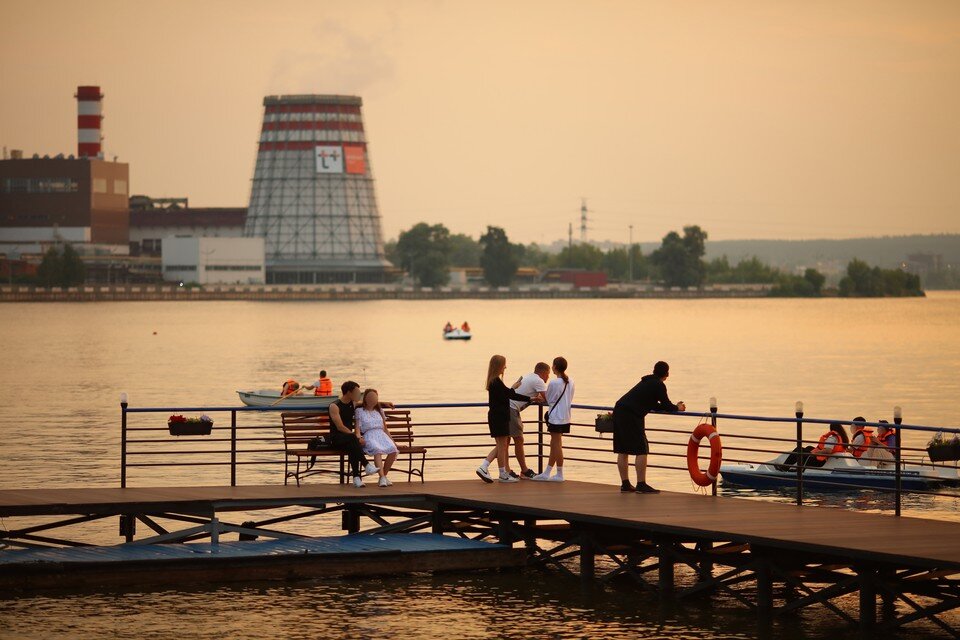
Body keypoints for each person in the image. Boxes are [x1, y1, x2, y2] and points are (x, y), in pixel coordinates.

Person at [613, 361, 685, 494]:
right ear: (666, 374)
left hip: (620, 410)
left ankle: (625, 484)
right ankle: (641, 484)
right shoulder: (659, 385)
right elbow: (667, 405)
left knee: (622, 449)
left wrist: (672, 406)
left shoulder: (646, 382)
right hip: (631, 415)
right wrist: (678, 407)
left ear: (654, 371)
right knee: (642, 449)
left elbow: (653, 404)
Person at [478, 362, 549, 480]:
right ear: (544, 372)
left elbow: (509, 394)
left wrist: (531, 398)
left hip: (507, 410)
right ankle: (517, 471)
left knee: (505, 442)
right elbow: (547, 398)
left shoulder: (528, 376)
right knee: (514, 440)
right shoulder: (538, 381)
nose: (548, 377)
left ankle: (504, 470)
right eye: (548, 374)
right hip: (509, 410)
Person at [328, 381, 379, 487]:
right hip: (336, 438)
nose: (359, 394)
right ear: (348, 392)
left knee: (352, 446)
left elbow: (368, 403)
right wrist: (354, 436)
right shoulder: (334, 406)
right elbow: (340, 427)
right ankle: (366, 465)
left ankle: (356, 478)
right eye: (356, 392)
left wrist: (384, 403)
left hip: (349, 439)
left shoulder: (353, 403)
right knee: (353, 440)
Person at [533, 356, 574, 482]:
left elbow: (548, 399)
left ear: (555, 367)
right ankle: (547, 472)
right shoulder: (571, 381)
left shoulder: (554, 383)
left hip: (556, 417)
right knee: (554, 444)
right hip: (565, 416)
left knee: (557, 445)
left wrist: (540, 398)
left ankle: (560, 474)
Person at [356, 388, 399, 487]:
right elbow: (357, 429)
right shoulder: (359, 411)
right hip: (369, 435)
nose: (372, 399)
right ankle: (383, 478)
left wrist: (394, 443)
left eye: (374, 397)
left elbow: (385, 429)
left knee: (393, 450)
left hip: (381, 435)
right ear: (365, 398)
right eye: (369, 397)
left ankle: (383, 477)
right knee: (377, 450)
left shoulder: (379, 410)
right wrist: (359, 438)